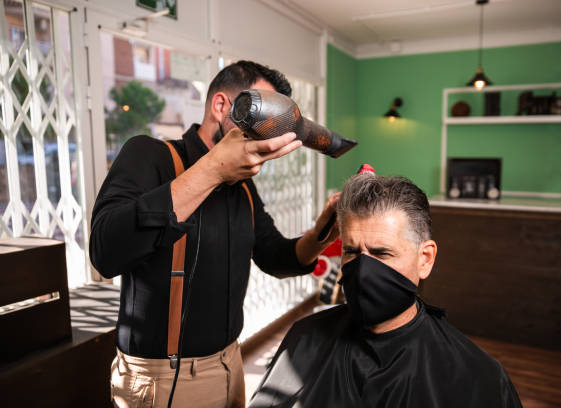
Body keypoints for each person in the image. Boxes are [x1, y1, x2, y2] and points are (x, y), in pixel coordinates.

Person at [89, 60, 340, 408]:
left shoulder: (243, 188)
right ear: (222, 105)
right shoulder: (151, 155)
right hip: (161, 378)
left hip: (230, 363)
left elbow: (274, 255)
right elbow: (105, 252)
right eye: (263, 113)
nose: (269, 129)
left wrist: (322, 233)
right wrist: (212, 171)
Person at [249, 174, 523, 408]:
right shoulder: (304, 339)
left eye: (381, 253)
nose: (364, 269)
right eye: (352, 251)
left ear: (425, 259)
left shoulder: (478, 376)